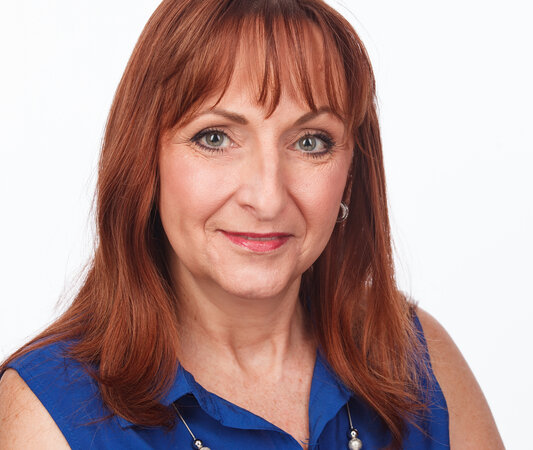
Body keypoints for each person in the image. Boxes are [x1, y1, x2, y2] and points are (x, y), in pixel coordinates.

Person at [0, 0, 504, 448]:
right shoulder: (48, 419)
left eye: (310, 142)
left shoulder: (418, 359)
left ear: (351, 176)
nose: (267, 198)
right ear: (144, 161)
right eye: (215, 138)